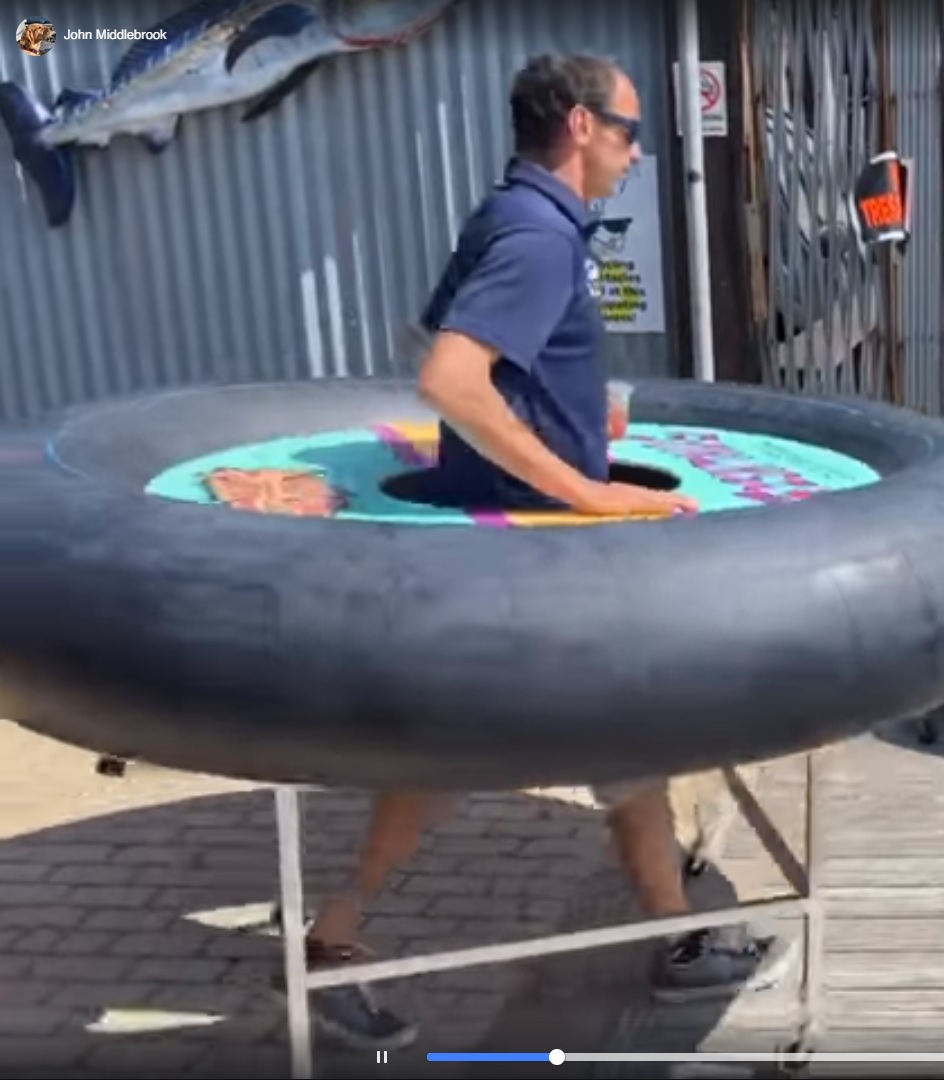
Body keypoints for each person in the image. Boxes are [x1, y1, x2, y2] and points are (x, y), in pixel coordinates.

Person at [281, 53, 789, 1050]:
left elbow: (443, 335)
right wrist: (582, 487)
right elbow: (448, 376)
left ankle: (677, 938)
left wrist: (566, 408)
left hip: (512, 546)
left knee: (623, 751)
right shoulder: (538, 236)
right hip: (534, 562)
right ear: (579, 126)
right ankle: (332, 944)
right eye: (629, 132)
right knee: (481, 756)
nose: (637, 154)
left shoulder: (511, 215)